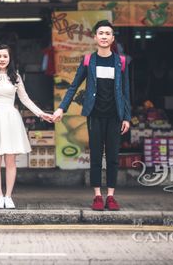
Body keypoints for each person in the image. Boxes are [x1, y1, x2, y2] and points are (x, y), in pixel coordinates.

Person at [52, 20, 131, 211]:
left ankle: (110, 196)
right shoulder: (89, 60)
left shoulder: (120, 61)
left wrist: (127, 116)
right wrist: (62, 108)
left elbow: (126, 91)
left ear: (112, 38)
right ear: (95, 37)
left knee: (113, 156)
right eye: (101, 33)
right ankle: (97, 195)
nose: (104, 36)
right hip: (94, 114)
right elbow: (73, 86)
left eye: (107, 34)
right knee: (96, 155)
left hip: (115, 116)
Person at [0, 44, 53, 209]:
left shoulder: (16, 76)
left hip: (11, 118)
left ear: (10, 59)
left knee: (10, 160)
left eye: (5, 56)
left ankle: (9, 196)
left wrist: (41, 113)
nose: (2, 59)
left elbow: (25, 99)